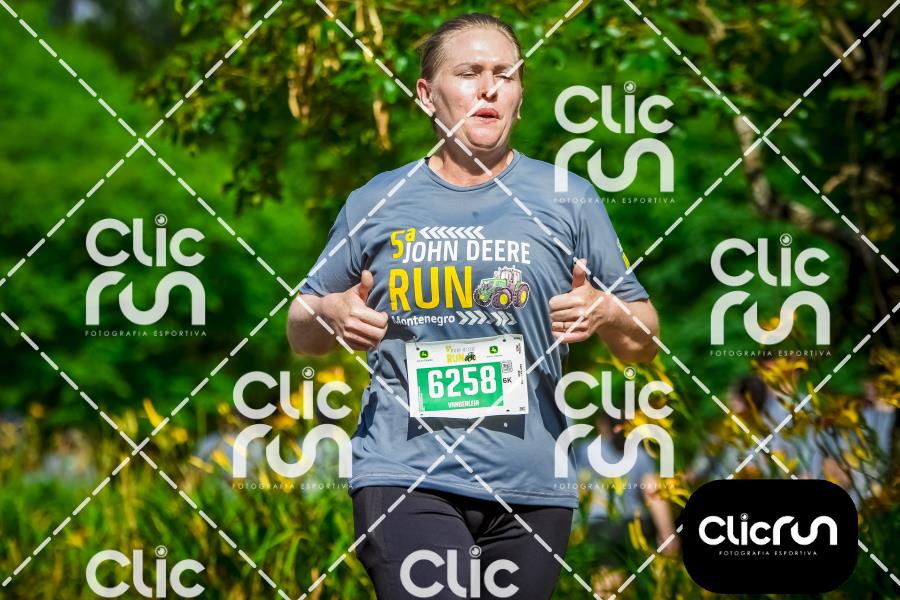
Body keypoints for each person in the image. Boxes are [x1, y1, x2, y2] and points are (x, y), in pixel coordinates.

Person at [287, 13, 659, 599]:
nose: (489, 88)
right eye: (469, 73)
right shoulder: (376, 200)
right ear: (426, 94)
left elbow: (644, 340)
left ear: (519, 96)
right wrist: (331, 311)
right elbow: (300, 329)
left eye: (505, 75)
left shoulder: (568, 198)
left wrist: (608, 311)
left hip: (532, 486)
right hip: (406, 474)